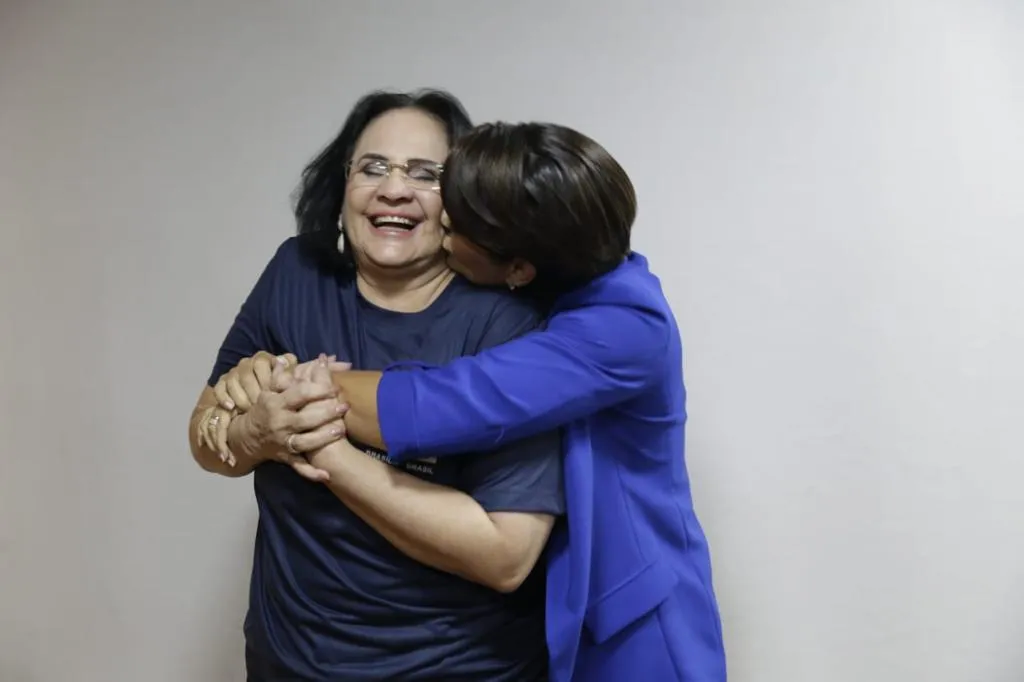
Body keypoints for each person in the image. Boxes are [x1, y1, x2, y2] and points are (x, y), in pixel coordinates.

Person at [219, 122, 729, 681]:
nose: (439, 235)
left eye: (453, 228)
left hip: (636, 628)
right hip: (568, 609)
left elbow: (442, 404)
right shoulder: (561, 278)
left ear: (517, 270)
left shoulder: (622, 327)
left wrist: (291, 380)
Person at [189, 91, 564, 681]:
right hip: (285, 660)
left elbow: (506, 556)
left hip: (456, 668)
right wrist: (258, 430)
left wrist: (322, 446)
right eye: (373, 167)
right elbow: (205, 434)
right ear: (342, 190)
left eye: (426, 174)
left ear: (463, 200)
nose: (395, 189)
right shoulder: (295, 273)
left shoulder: (510, 323)